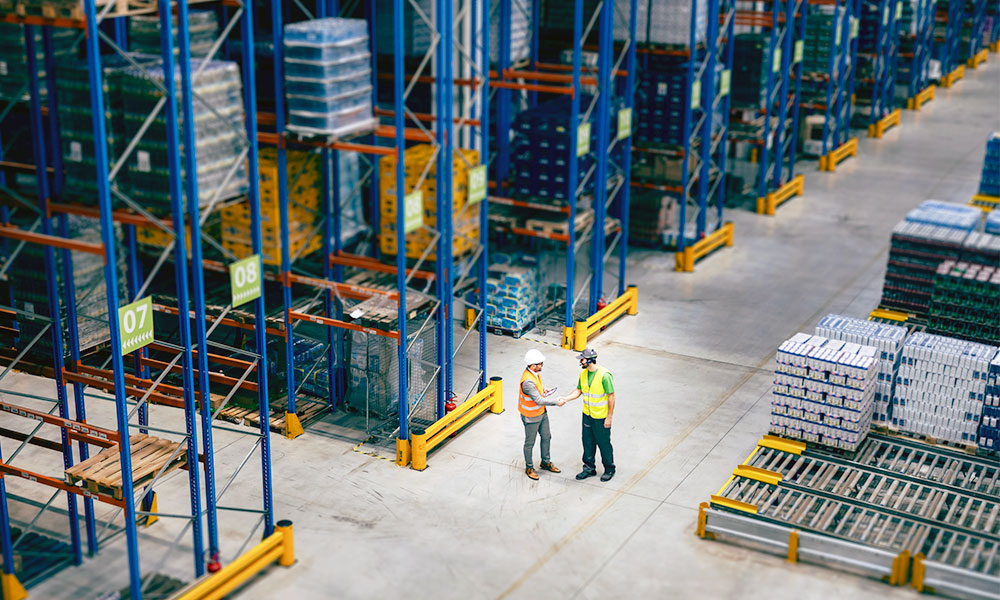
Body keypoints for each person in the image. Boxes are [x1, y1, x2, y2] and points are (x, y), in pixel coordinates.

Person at [556, 347, 615, 481]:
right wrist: (565, 398)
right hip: (587, 415)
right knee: (587, 442)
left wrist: (609, 417)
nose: (580, 362)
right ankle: (589, 468)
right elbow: (579, 391)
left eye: (582, 360)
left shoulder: (605, 375)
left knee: (603, 443)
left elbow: (611, 396)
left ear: (589, 360)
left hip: (601, 417)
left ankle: (609, 469)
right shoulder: (583, 374)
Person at [519, 349, 561, 480]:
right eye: (538, 364)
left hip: (541, 413)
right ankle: (529, 467)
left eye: (541, 363)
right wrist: (556, 402)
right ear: (532, 365)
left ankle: (546, 462)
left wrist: (544, 390)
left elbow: (537, 393)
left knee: (547, 436)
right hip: (531, 417)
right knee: (529, 443)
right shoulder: (527, 381)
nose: (541, 366)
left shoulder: (535, 374)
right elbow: (538, 400)